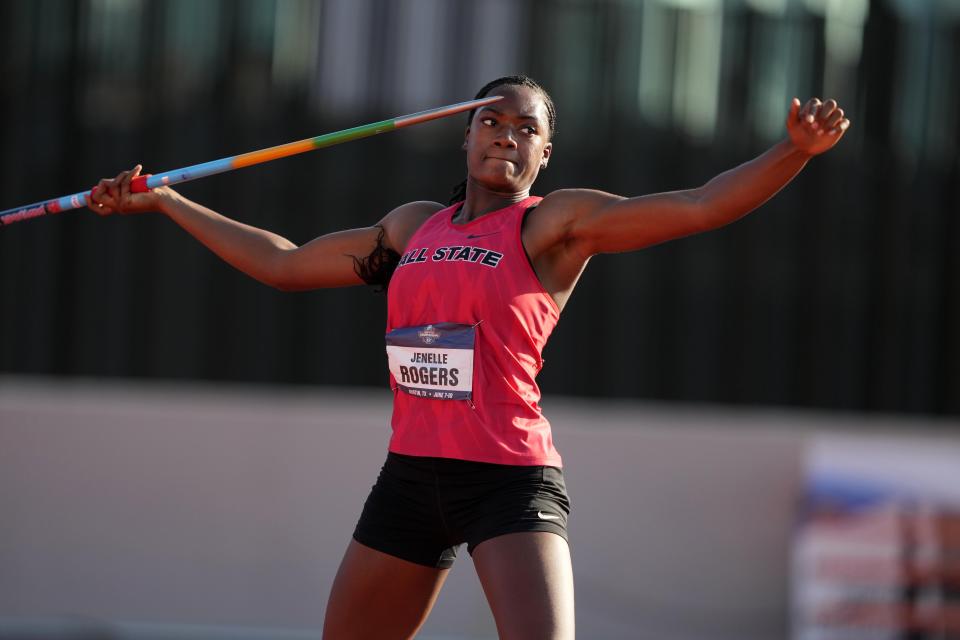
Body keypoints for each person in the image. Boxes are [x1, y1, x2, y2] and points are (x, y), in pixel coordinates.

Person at [88, 75, 850, 640]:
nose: (506, 135)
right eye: (492, 120)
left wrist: (794, 151)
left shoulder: (554, 224)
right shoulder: (411, 227)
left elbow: (699, 206)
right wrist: (167, 201)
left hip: (508, 481)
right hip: (410, 478)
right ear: (465, 133)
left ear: (546, 152)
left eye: (527, 129)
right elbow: (285, 264)